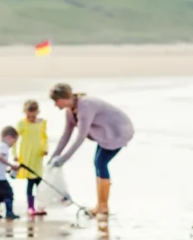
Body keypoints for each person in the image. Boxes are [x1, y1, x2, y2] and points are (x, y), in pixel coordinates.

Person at [48, 83, 134, 223]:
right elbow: (66, 136)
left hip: (118, 131)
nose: (55, 105)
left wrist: (64, 159)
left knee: (100, 162)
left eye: (55, 101)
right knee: (98, 163)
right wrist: (53, 158)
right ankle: (100, 206)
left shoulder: (85, 106)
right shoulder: (70, 111)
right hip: (106, 133)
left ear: (62, 98)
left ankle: (103, 207)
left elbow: (80, 137)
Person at [15, 99, 49, 217]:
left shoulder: (42, 123)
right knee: (30, 182)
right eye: (28, 116)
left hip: (38, 156)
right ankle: (30, 206)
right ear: (25, 113)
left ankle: (41, 206)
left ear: (38, 112)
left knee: (40, 182)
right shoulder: (22, 123)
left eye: (33, 116)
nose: (31, 119)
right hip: (26, 155)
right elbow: (15, 139)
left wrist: (45, 149)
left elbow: (45, 137)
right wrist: (15, 154)